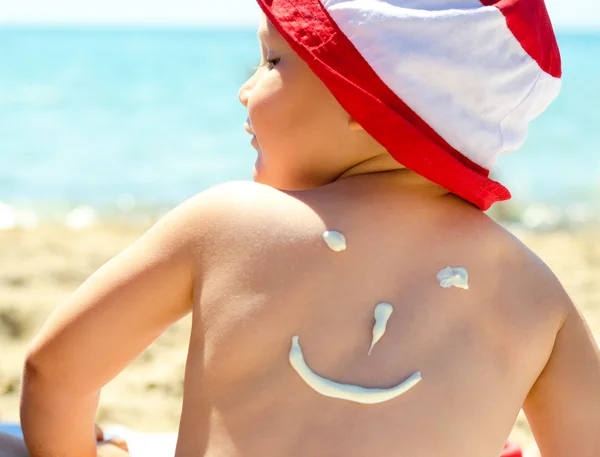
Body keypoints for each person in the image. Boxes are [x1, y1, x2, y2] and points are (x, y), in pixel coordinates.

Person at [19, 1, 600, 457]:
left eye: (273, 61)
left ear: (362, 102)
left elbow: (53, 374)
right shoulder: (538, 294)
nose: (245, 88)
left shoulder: (226, 220)